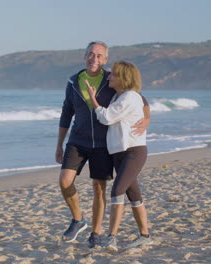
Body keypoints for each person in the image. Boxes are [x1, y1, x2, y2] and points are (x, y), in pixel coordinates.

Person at [56, 41, 150, 248]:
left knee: (99, 188)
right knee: (65, 180)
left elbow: (140, 99)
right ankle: (78, 220)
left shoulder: (111, 79)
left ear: (105, 60)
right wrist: (59, 144)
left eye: (99, 56)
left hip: (102, 144)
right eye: (91, 54)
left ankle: (96, 233)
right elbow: (66, 113)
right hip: (77, 140)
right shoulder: (73, 81)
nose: (94, 58)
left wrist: (147, 118)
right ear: (85, 56)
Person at [86, 61, 152, 251]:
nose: (109, 76)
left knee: (117, 191)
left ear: (123, 78)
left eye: (113, 74)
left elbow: (106, 118)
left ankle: (111, 238)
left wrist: (93, 99)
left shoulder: (130, 97)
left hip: (133, 151)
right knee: (134, 195)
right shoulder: (118, 95)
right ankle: (145, 236)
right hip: (119, 152)